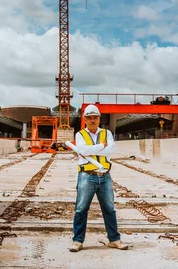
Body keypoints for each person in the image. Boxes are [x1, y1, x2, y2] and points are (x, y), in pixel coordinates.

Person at [69, 104, 129, 252]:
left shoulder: (107, 133)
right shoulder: (80, 135)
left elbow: (111, 150)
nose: (92, 120)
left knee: (109, 209)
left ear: (99, 118)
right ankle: (77, 241)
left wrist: (92, 151)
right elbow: (82, 150)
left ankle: (114, 240)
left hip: (105, 176)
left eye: (94, 117)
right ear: (85, 120)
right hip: (87, 176)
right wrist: (102, 146)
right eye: (89, 118)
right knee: (81, 209)